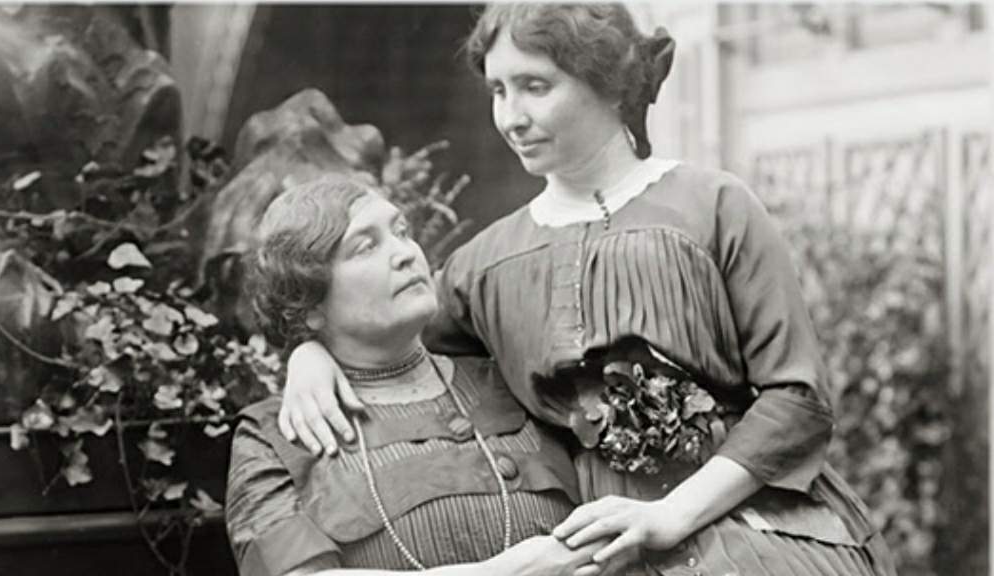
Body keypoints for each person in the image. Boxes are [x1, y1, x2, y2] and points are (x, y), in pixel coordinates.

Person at [276, 4, 897, 576]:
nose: (511, 117)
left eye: (535, 86)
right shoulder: (480, 267)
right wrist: (311, 353)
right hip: (594, 548)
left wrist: (670, 516)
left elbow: (798, 400)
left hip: (753, 526)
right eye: (498, 91)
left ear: (606, 81)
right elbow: (406, 358)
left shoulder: (714, 205)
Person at [226, 176, 608, 576]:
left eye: (402, 232)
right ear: (308, 304)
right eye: (366, 247)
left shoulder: (512, 377)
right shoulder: (275, 437)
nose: (405, 253)